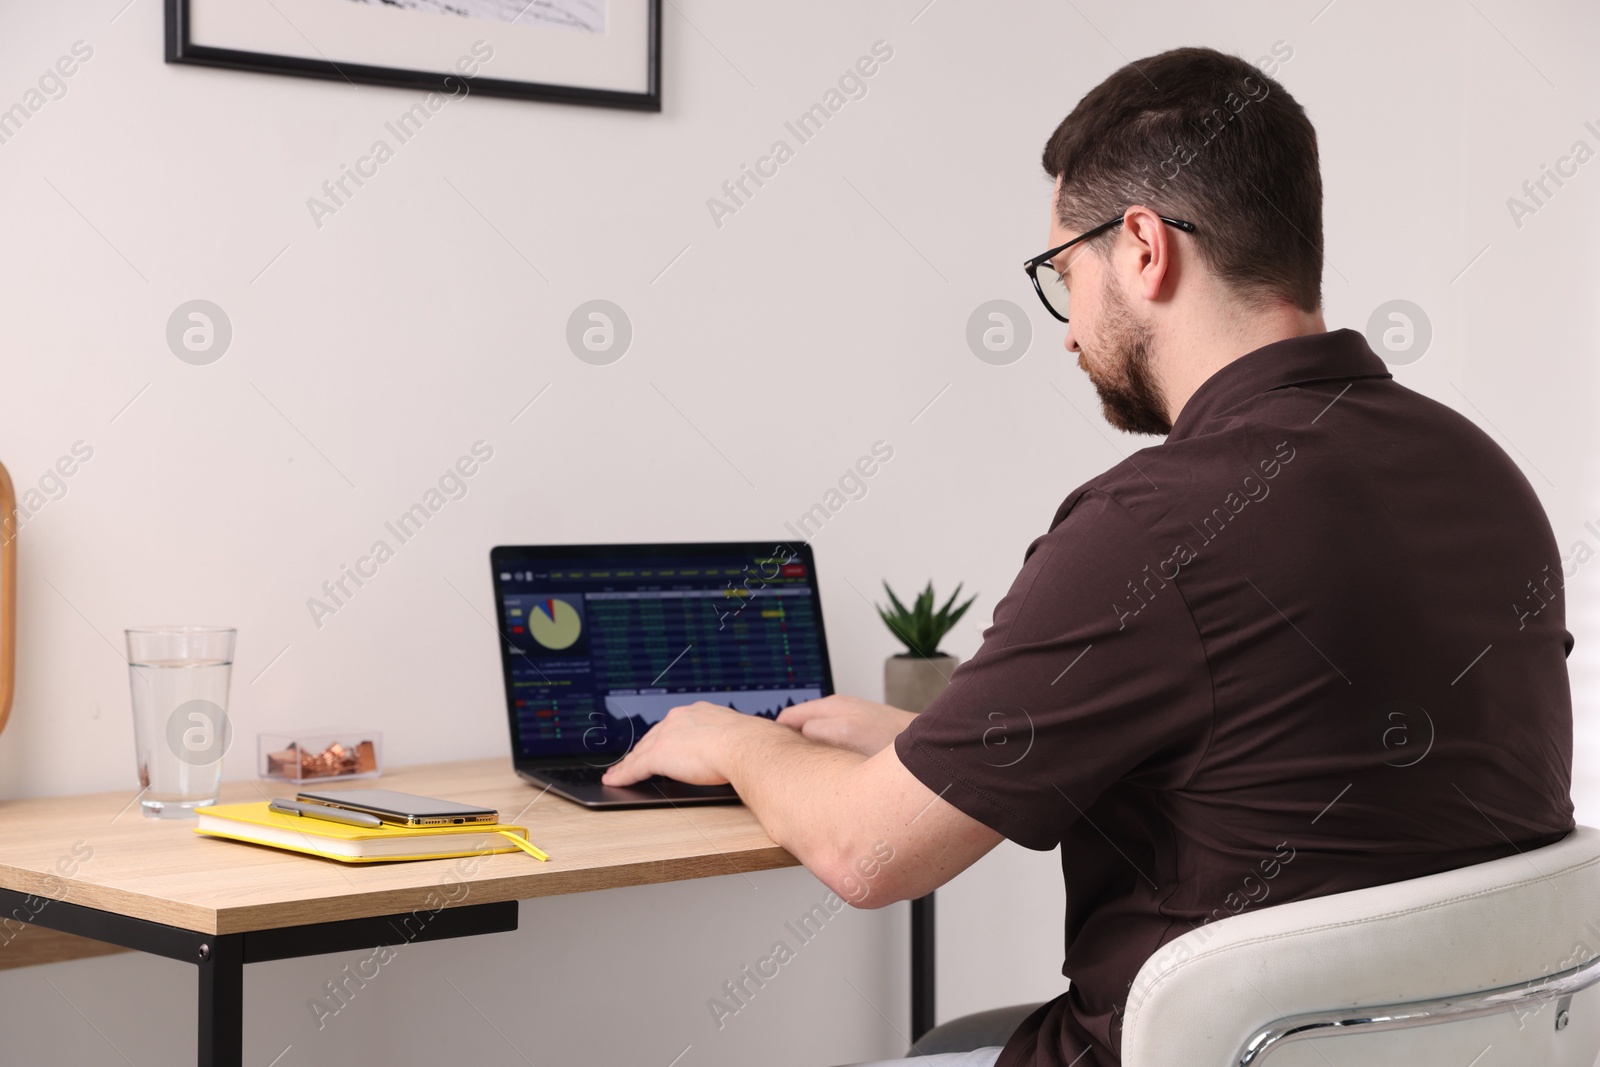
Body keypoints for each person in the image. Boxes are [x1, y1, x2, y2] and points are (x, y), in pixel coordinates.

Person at [602, 44, 1575, 1067]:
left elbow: (866, 850)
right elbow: (1289, 772)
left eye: (1063, 272)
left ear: (1144, 248)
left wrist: (729, 737)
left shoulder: (1154, 523)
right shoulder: (1481, 475)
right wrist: (926, 742)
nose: (1066, 334)